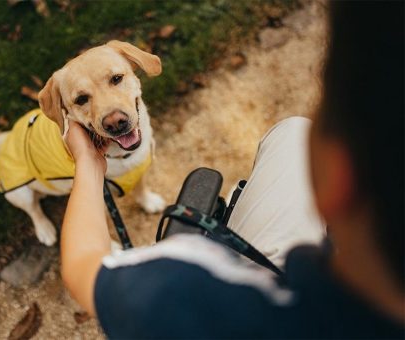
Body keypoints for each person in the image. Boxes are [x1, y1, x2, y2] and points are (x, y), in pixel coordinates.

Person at [60, 2, 404, 338]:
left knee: (292, 132)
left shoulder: (185, 298)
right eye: (82, 99)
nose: (112, 115)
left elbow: (82, 270)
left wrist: (89, 165)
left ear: (338, 178)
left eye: (117, 79)